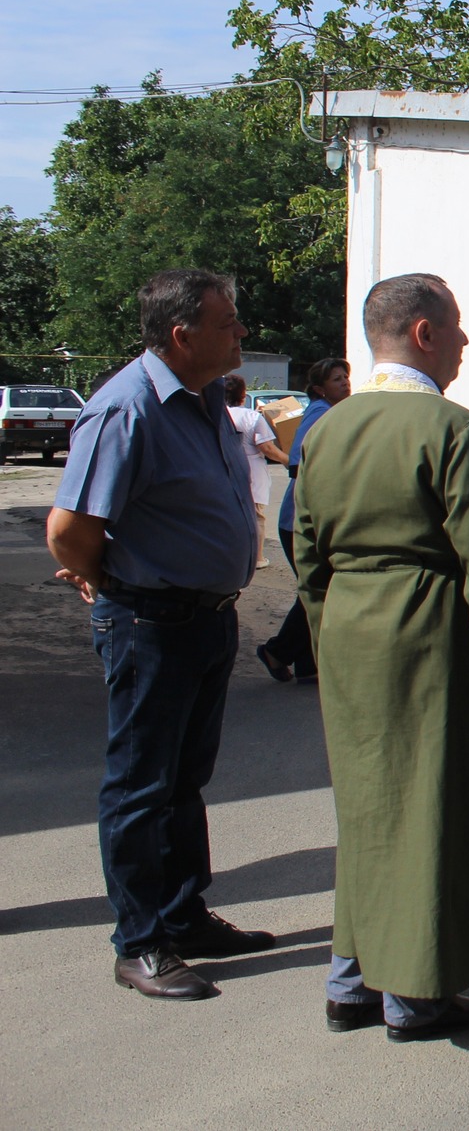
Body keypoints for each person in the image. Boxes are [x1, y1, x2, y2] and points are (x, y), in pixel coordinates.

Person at [295, 274, 469, 1040]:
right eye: (459, 327)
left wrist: (329, 636)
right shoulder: (451, 431)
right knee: (431, 811)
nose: (466, 342)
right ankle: (414, 994)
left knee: (372, 809)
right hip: (432, 635)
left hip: (351, 633)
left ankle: (350, 980)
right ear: (423, 333)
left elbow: (305, 557)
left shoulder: (325, 433)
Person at [45, 269, 275, 1002]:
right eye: (228, 321)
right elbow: (69, 529)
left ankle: (183, 916)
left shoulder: (204, 400)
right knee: (140, 786)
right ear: (183, 335)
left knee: (182, 782)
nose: (240, 332)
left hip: (206, 618)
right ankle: (139, 940)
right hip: (149, 620)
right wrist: (101, 577)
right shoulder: (127, 409)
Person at [254, 358, 350, 682]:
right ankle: (277, 651)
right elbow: (296, 462)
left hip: (306, 520)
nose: (346, 383)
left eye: (346, 377)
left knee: (316, 589)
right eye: (337, 379)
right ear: (320, 388)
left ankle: (306, 663)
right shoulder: (320, 414)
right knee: (318, 589)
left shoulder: (330, 412)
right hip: (299, 522)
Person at [222, 375, 288, 569]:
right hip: (252, 471)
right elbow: (266, 448)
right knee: (256, 515)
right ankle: (257, 557)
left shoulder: (218, 416)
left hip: (225, 469)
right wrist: (288, 460)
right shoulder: (251, 417)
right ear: (243, 395)